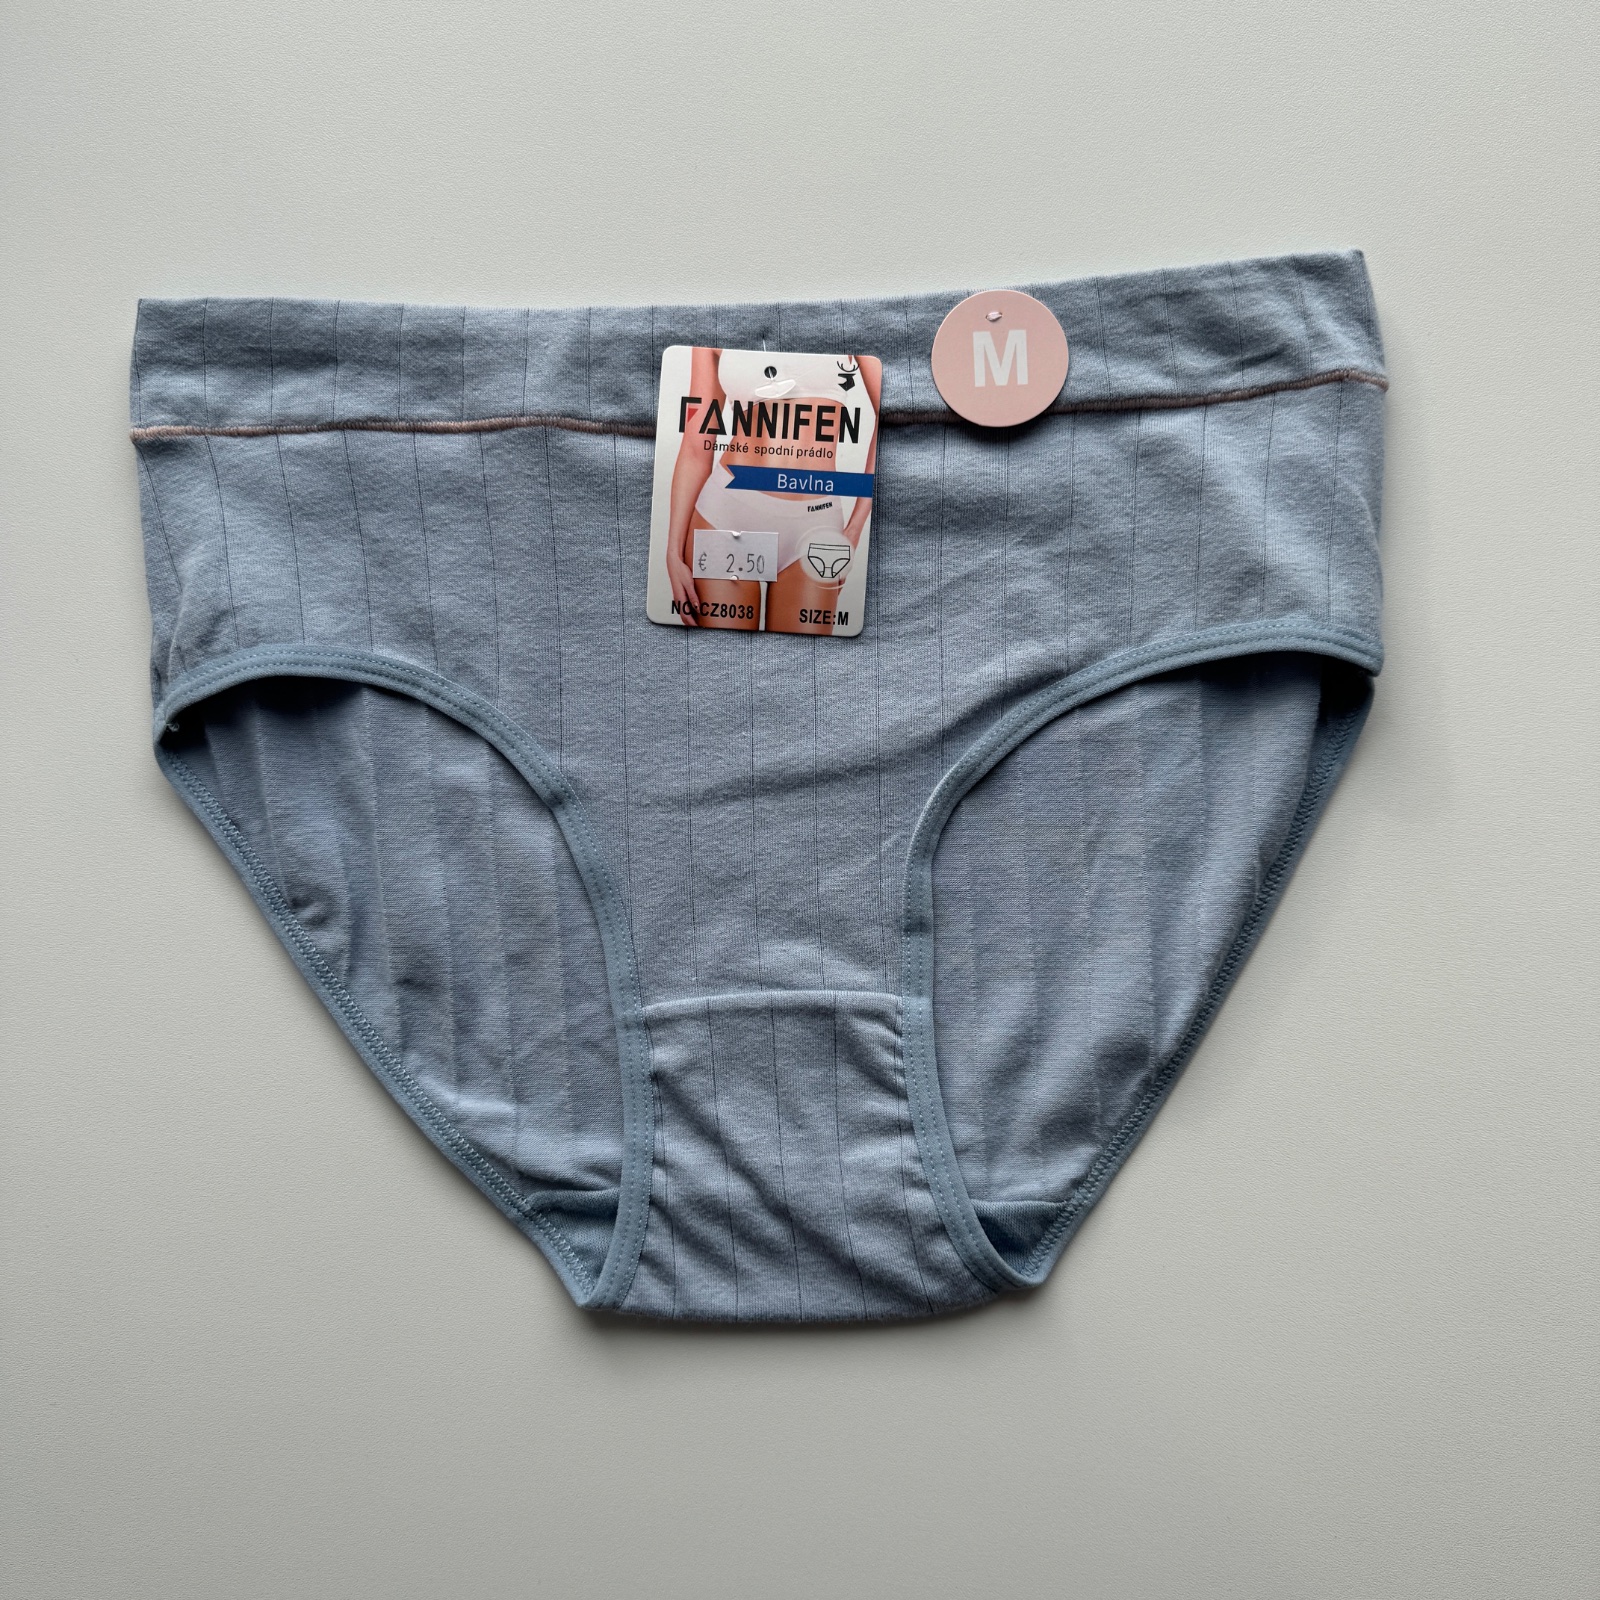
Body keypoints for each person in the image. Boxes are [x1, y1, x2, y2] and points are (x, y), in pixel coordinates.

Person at [664, 345, 881, 633]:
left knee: (806, 659)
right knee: (720, 656)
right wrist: (672, 552)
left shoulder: (847, 326)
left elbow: (889, 417)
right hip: (725, 515)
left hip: (815, 525)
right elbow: (696, 446)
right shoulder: (712, 328)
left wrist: (854, 530)